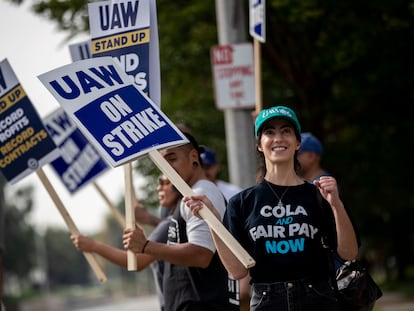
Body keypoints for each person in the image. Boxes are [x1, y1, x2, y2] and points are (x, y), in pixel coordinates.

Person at [183, 105, 359, 311]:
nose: (278, 138)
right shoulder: (242, 203)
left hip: (317, 298)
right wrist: (212, 220)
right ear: (259, 144)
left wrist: (336, 204)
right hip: (267, 302)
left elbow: (349, 253)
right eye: (269, 132)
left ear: (297, 143)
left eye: (286, 131)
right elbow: (237, 271)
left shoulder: (320, 195)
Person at [123, 132, 239, 311]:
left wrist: (146, 246)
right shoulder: (190, 195)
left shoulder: (201, 193)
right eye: (162, 163)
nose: (167, 169)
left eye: (172, 158)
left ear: (193, 157)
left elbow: (201, 254)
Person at [71, 175, 181, 311]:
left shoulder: (169, 224)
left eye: (166, 183)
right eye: (160, 182)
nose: (159, 187)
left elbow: (136, 261)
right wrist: (149, 219)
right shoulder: (178, 222)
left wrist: (94, 246)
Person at [200, 145, 250, 311]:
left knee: (240, 301)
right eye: (201, 166)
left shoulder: (233, 193)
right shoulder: (189, 194)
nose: (205, 171)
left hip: (233, 261)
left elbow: (248, 232)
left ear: (216, 167)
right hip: (207, 266)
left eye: (208, 166)